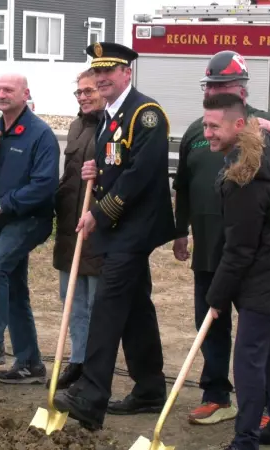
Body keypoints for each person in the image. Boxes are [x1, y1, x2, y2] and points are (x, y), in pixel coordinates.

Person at [172, 50, 270, 426]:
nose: (216, 90)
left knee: (260, 339)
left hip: (254, 255)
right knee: (209, 322)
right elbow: (184, 186)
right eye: (211, 85)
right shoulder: (199, 130)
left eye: (222, 85)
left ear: (241, 88)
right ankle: (216, 395)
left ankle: (267, 409)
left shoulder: (263, 122)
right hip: (210, 245)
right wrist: (180, 231)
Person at [52, 41, 176, 430]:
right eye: (98, 71)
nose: (102, 77)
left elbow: (140, 175)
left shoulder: (147, 114)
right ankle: (151, 388)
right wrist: (95, 174)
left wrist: (98, 213)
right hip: (118, 227)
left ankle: (90, 397)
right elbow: (115, 167)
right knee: (137, 309)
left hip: (134, 230)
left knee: (108, 307)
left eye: (110, 71)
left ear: (127, 73)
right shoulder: (109, 115)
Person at [203, 93, 270, 450]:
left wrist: (216, 297)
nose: (208, 133)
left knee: (248, 357)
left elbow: (240, 249)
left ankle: (245, 439)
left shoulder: (244, 179)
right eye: (205, 125)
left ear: (239, 124)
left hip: (265, 278)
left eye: (215, 126)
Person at [0, 73, 60, 385]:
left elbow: (44, 186)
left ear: (25, 94)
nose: (1, 94)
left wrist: (1, 204)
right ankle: (30, 363)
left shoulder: (40, 135)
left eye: (8, 90)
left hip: (30, 220)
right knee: (13, 288)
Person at [49, 68, 106, 389]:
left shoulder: (113, 129)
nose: (83, 97)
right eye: (79, 92)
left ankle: (95, 368)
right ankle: (77, 361)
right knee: (71, 301)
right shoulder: (75, 127)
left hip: (97, 229)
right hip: (71, 230)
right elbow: (67, 179)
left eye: (90, 91)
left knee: (96, 304)